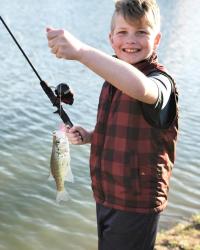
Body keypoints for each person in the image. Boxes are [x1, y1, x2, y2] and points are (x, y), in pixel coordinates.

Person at [46, 0, 178, 249]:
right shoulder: (113, 79)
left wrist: (82, 52)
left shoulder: (161, 82)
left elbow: (142, 88)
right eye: (123, 32)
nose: (131, 40)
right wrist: (91, 136)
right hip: (107, 195)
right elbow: (126, 132)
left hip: (135, 202)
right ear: (111, 39)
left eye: (141, 32)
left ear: (157, 40)